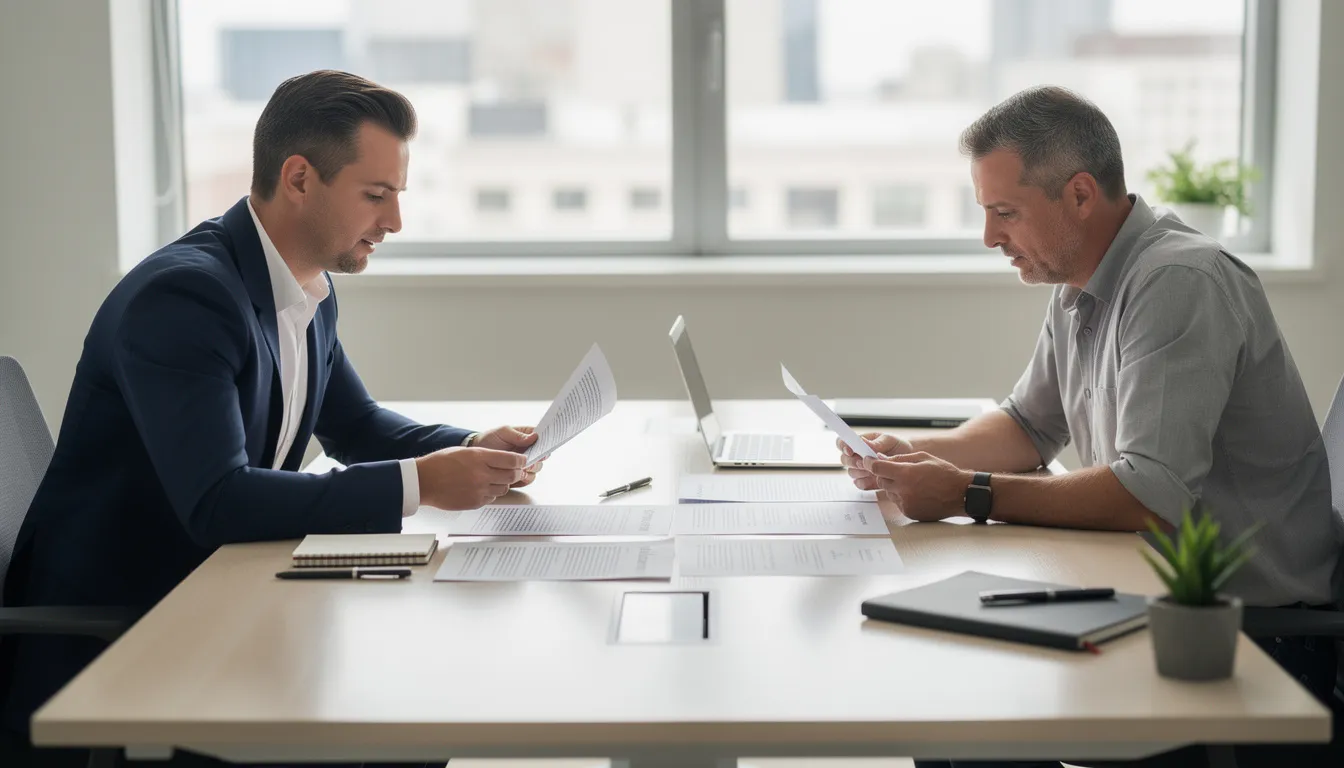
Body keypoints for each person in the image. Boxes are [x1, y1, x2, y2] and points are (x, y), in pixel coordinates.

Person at [1, 70, 542, 767]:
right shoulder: (185, 298)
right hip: (131, 642)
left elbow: (356, 425)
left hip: (223, 603)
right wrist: (421, 484)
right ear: (298, 178)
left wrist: (470, 447)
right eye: (376, 196)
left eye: (397, 196)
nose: (394, 222)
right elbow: (218, 501)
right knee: (408, 734)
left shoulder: (305, 283)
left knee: (420, 702)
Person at [839, 86, 1343, 768]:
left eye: (1005, 213)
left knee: (966, 717)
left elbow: (1148, 495)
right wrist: (912, 456)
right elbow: (1026, 426)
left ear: (1079, 194)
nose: (990, 237)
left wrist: (965, 493)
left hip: (1244, 637)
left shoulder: (1179, 283)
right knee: (952, 702)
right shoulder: (1079, 279)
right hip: (1146, 592)